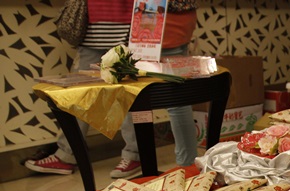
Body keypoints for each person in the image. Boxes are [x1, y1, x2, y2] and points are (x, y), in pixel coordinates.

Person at [26, 0, 199, 179]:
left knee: (144, 96)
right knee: (79, 93)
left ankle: (153, 159)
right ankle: (67, 153)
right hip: (98, 27)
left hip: (141, 23)